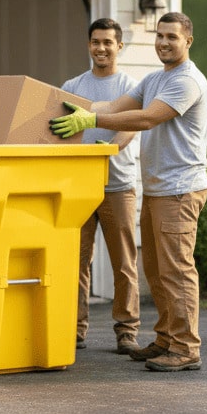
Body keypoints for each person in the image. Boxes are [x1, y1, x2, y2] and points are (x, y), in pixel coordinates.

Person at [50, 11, 207, 372]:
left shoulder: (186, 81)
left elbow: (146, 118)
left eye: (172, 36)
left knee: (177, 270)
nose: (164, 42)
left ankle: (186, 348)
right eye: (160, 36)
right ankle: (166, 339)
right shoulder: (155, 78)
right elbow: (112, 106)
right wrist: (73, 110)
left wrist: (92, 120)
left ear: (187, 41)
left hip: (180, 189)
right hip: (157, 189)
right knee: (155, 270)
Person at [61, 18, 141, 355]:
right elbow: (58, 131)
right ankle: (74, 328)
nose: (102, 48)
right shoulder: (73, 86)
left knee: (123, 261)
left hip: (118, 185)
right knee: (75, 261)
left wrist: (110, 148)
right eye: (96, 42)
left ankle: (127, 331)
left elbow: (131, 127)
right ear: (89, 45)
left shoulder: (131, 86)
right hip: (77, 187)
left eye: (108, 42)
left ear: (119, 46)